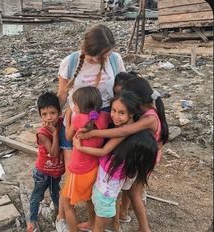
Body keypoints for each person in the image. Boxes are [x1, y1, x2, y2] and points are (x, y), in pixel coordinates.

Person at [77, 76, 169, 232]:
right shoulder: (149, 111)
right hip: (143, 156)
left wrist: (93, 133)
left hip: (143, 159)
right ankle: (124, 215)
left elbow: (124, 131)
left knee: (134, 192)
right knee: (130, 190)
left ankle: (144, 228)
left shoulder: (149, 118)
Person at [56, 24, 125, 230]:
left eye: (104, 54)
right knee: (74, 171)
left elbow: (122, 91)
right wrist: (52, 119)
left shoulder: (115, 60)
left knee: (101, 174)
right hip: (76, 123)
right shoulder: (69, 63)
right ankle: (64, 217)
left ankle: (99, 219)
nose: (99, 60)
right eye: (95, 56)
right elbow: (61, 96)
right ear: (85, 49)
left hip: (106, 122)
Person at [59, 86, 110, 232]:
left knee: (67, 204)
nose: (73, 106)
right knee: (89, 198)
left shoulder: (78, 118)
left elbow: (68, 137)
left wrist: (68, 116)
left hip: (79, 169)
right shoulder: (104, 117)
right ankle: (92, 223)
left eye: (74, 104)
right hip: (94, 166)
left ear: (80, 105)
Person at [27, 92, 65, 232]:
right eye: (44, 114)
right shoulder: (43, 133)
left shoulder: (62, 122)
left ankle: (59, 214)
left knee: (56, 192)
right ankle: (33, 220)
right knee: (36, 196)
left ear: (59, 112)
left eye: (52, 113)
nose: (49, 117)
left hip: (56, 171)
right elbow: (54, 153)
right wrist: (54, 134)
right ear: (40, 115)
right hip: (43, 172)